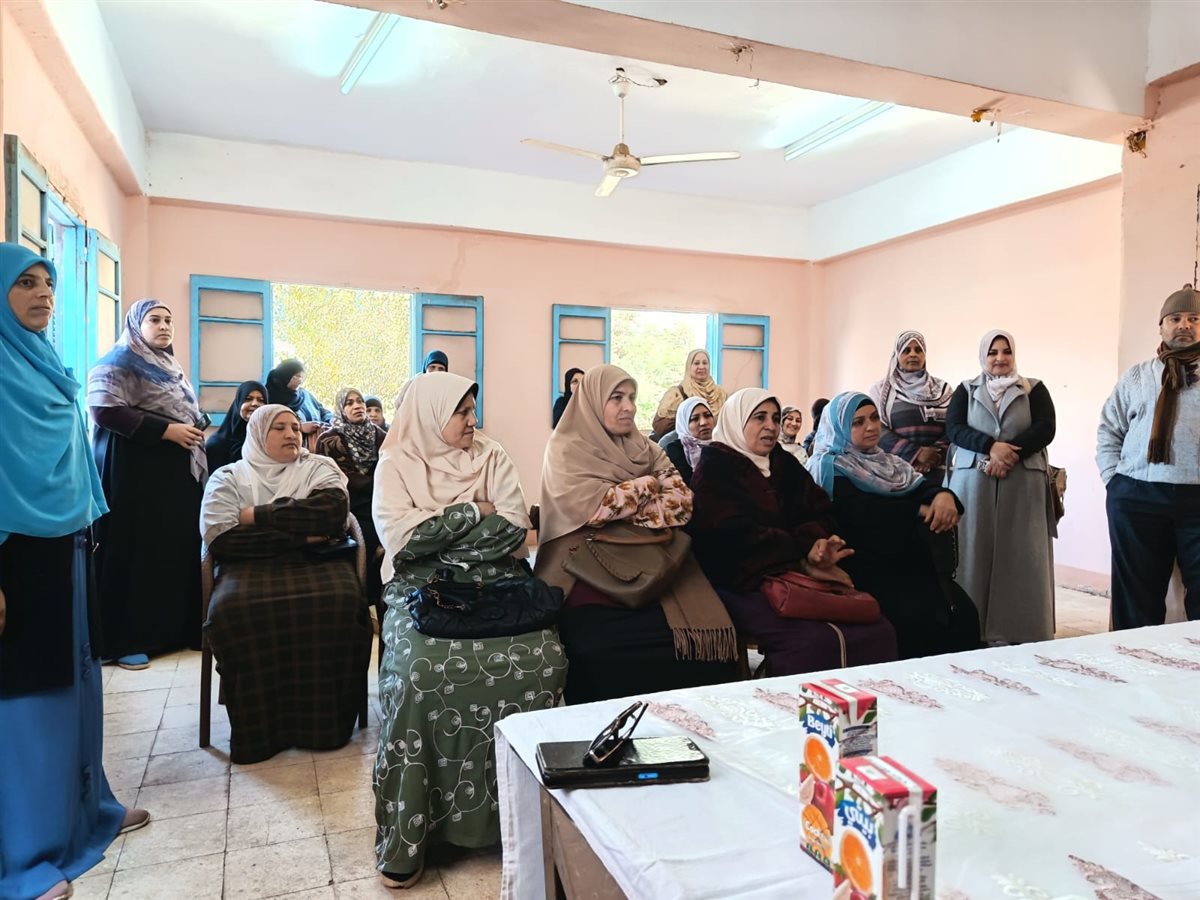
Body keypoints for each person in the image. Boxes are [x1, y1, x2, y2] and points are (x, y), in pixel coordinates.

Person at [372, 372, 567, 889]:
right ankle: (412, 834)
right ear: (432, 414)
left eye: (472, 410)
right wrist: (472, 510)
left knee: (545, 658)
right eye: (462, 412)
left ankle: (531, 823)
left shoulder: (491, 454)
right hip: (420, 590)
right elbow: (404, 545)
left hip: (497, 584)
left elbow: (512, 530)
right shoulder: (396, 464)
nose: (473, 421)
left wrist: (440, 531)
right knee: (419, 672)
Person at [0, 244, 149, 900]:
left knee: (79, 688)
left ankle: (87, 814)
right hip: (16, 552)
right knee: (29, 700)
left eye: (48, 283)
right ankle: (26, 854)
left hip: (67, 542)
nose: (43, 294)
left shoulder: (44, 361)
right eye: (24, 283)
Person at [535, 365, 738, 704]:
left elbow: (682, 504)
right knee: (597, 651)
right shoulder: (566, 448)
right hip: (586, 565)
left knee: (700, 647)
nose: (628, 407)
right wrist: (648, 484)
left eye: (631, 397)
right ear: (592, 401)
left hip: (652, 559)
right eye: (616, 398)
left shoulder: (645, 447)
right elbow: (595, 509)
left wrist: (623, 506)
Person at [200, 405, 372, 765]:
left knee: (342, 603)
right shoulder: (229, 477)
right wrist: (303, 536)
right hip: (248, 567)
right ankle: (258, 733)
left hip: (319, 562)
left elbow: (332, 514)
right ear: (257, 434)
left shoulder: (318, 467)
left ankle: (327, 727)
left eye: (295, 427)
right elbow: (223, 539)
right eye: (278, 428)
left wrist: (256, 515)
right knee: (232, 610)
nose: (292, 434)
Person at [688, 389, 898, 676]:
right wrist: (801, 554)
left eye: (775, 418)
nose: (771, 426)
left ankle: (866, 702)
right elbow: (727, 538)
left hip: (797, 574)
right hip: (743, 583)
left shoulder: (783, 462)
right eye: (760, 418)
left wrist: (817, 545)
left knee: (877, 630)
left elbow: (820, 510)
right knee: (812, 642)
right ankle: (797, 704)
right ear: (737, 421)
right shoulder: (715, 468)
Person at [809, 392, 980, 659]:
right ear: (839, 428)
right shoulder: (828, 466)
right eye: (858, 422)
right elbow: (859, 513)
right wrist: (916, 510)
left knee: (964, 614)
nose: (870, 427)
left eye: (874, 418)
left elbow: (922, 488)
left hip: (910, 565)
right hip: (866, 568)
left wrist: (943, 496)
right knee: (918, 620)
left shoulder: (890, 463)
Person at [88, 299, 206, 668]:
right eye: (154, 319)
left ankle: (176, 630)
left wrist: (190, 427)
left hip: (171, 472)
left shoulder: (170, 366)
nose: (164, 326)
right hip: (134, 469)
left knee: (173, 544)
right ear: (137, 325)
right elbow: (103, 409)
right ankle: (127, 639)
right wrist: (166, 430)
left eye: (168, 320)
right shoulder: (118, 361)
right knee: (136, 547)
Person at [1098, 284, 1200, 629]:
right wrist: (1114, 481)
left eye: (1194, 318)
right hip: (1136, 495)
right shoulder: (1137, 376)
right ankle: (1131, 660)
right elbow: (1109, 428)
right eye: (1175, 318)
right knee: (1136, 600)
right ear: (1161, 326)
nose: (1184, 325)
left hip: (1197, 495)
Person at [946, 330, 1057, 645]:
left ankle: (1020, 629)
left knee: (1022, 553)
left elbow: (1046, 427)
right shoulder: (965, 390)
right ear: (983, 356)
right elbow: (954, 428)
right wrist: (990, 447)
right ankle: (972, 628)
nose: (1000, 358)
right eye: (993, 352)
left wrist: (1010, 453)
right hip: (975, 483)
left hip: (1022, 483)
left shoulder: (1034, 389)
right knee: (972, 550)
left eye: (1006, 351)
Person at [317, 388, 387, 604]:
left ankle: (387, 596)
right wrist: (377, 483)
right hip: (350, 505)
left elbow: (392, 468)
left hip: (382, 500)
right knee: (369, 535)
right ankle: (367, 598)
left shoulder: (379, 435)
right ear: (340, 408)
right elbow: (338, 478)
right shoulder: (329, 440)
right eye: (349, 403)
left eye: (360, 401)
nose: (357, 406)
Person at [868, 330, 953, 481]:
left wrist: (932, 456)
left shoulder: (943, 389)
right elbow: (878, 430)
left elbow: (952, 427)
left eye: (918, 350)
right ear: (897, 355)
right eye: (906, 350)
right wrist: (915, 453)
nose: (913, 354)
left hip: (937, 470)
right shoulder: (880, 391)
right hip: (894, 472)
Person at [651, 349, 727, 439]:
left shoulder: (720, 394)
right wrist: (685, 422)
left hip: (716, 443)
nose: (701, 367)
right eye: (696, 363)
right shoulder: (677, 394)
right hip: (685, 445)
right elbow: (659, 426)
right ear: (689, 366)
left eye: (705, 363)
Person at [204, 380, 266, 472]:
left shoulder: (269, 441)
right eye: (248, 399)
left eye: (261, 400)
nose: (255, 404)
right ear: (238, 403)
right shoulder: (218, 445)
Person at [265, 359, 333, 433]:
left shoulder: (304, 395)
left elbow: (323, 412)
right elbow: (270, 426)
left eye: (302, 377)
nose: (300, 380)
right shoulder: (270, 400)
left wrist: (331, 420)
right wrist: (299, 427)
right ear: (285, 376)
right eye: (297, 376)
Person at [661, 396, 714, 485]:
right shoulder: (675, 450)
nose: (704, 422)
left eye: (707, 415)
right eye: (694, 419)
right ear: (684, 423)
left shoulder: (722, 445)